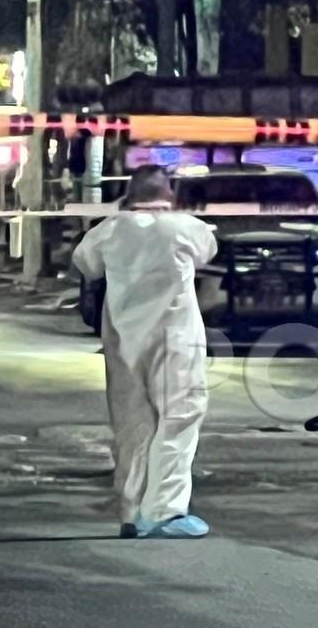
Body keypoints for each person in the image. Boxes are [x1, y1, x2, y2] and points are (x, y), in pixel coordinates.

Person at [73, 166, 218, 539]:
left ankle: (132, 510)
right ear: (169, 194)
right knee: (178, 417)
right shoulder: (187, 227)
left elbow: (85, 265)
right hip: (174, 337)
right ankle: (166, 511)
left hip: (124, 338)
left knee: (132, 424)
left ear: (128, 194)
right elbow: (207, 252)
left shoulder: (108, 230)